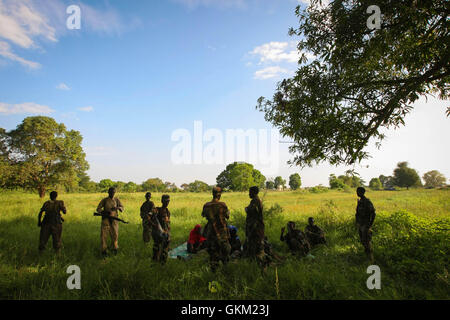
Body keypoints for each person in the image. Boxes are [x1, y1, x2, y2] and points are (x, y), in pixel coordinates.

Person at [201, 187, 231, 272]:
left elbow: (204, 215)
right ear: (219, 194)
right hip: (222, 231)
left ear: (212, 194)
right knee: (225, 251)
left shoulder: (206, 205)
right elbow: (227, 216)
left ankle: (213, 272)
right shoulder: (223, 205)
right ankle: (225, 271)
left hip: (211, 232)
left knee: (213, 253)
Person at [244, 186, 270, 270]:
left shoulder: (255, 201)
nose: (249, 194)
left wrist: (251, 230)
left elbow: (252, 213)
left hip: (256, 229)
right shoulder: (255, 201)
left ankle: (264, 265)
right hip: (254, 229)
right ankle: (255, 266)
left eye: (250, 192)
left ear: (254, 192)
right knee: (253, 247)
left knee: (259, 248)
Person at [96, 187, 124, 257]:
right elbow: (98, 209)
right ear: (108, 192)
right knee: (103, 236)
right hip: (106, 220)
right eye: (111, 192)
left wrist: (117, 208)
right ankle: (104, 250)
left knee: (115, 235)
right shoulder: (104, 200)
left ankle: (114, 248)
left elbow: (122, 207)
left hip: (114, 220)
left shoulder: (117, 200)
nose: (112, 193)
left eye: (113, 192)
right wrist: (104, 212)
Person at [355, 187, 376, 262]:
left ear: (362, 192)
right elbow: (357, 213)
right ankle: (367, 257)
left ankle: (371, 259)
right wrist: (357, 223)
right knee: (363, 241)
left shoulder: (367, 202)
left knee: (367, 241)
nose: (357, 193)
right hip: (361, 224)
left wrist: (370, 225)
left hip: (365, 225)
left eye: (358, 191)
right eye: (357, 191)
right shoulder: (360, 201)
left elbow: (373, 214)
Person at [152, 195, 171, 264]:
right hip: (158, 233)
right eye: (165, 201)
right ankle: (155, 261)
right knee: (156, 248)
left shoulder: (167, 211)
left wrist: (168, 231)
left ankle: (162, 262)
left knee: (165, 249)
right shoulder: (157, 210)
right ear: (162, 201)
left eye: (168, 201)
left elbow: (168, 223)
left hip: (166, 233)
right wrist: (155, 225)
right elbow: (150, 217)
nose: (167, 203)